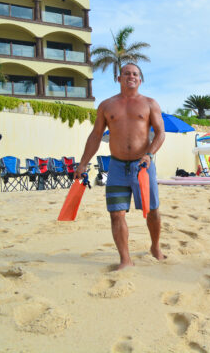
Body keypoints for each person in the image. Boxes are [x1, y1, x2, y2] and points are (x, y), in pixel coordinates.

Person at [74, 63, 166, 270]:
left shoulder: (150, 104)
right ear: (119, 78)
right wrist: (83, 163)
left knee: (152, 210)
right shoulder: (106, 106)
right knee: (116, 213)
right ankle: (125, 259)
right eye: (126, 73)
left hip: (144, 165)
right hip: (116, 167)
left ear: (140, 79)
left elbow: (160, 133)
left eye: (135, 74)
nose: (131, 76)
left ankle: (155, 247)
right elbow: (96, 135)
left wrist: (150, 154)